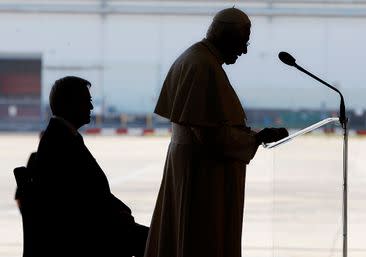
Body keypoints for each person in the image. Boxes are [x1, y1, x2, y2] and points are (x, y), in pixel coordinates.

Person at [144, 8, 288, 257]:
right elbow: (212, 137)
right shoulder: (203, 66)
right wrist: (256, 138)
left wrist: (252, 136)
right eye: (243, 42)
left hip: (194, 167)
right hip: (202, 176)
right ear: (226, 36)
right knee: (201, 240)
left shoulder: (197, 59)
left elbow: (210, 125)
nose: (244, 51)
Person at [31, 76, 148, 257]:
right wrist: (121, 215)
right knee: (161, 241)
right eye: (87, 102)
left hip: (86, 231)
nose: (91, 108)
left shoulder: (59, 137)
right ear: (71, 104)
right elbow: (87, 201)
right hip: (87, 237)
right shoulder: (62, 143)